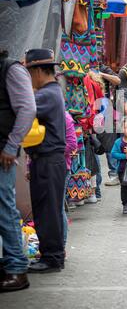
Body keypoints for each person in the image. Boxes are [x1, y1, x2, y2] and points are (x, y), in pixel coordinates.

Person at [24, 48, 66, 273]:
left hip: (49, 161)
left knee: (47, 211)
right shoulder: (52, 92)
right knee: (47, 209)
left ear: (38, 71)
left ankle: (52, 258)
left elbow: (21, 110)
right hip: (49, 160)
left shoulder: (45, 95)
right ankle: (52, 255)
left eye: (29, 73)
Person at [0, 50, 36, 292]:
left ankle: (17, 268)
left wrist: (11, 146)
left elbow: (27, 108)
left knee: (4, 208)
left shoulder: (10, 69)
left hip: (3, 152)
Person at [63, 111, 78, 245]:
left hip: (60, 166)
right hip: (41, 166)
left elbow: (72, 144)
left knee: (57, 207)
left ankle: (60, 247)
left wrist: (53, 151)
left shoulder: (64, 117)